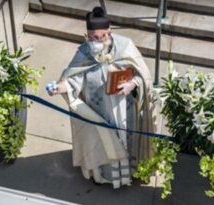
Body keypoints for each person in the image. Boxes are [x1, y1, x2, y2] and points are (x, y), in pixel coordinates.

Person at [46, 6, 158, 188]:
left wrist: (133, 84)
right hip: (98, 112)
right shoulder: (84, 52)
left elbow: (144, 74)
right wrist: (59, 87)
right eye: (92, 38)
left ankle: (130, 174)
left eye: (100, 37)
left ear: (109, 33)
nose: (96, 42)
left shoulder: (125, 47)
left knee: (125, 141)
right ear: (87, 35)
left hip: (125, 110)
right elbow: (74, 80)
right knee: (103, 143)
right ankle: (105, 177)